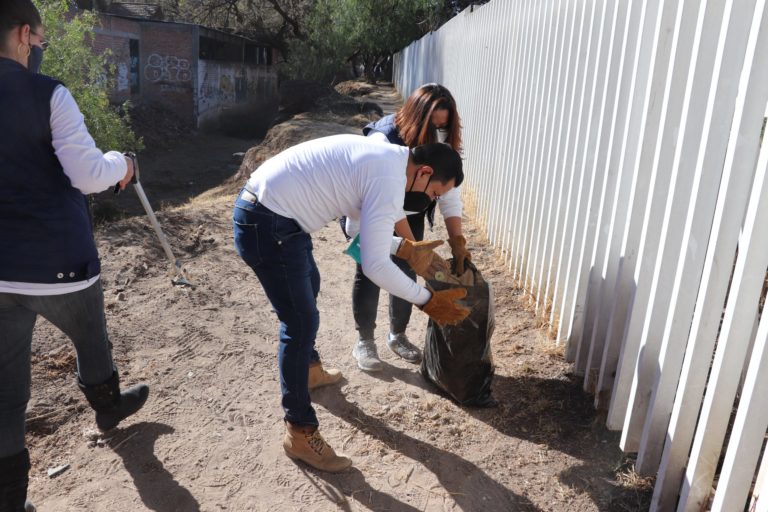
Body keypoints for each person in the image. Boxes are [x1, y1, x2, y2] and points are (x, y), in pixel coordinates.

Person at [233, 134, 469, 472]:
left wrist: (404, 248)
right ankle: (299, 431)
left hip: (272, 215)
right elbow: (373, 265)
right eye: (434, 192)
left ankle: (309, 370)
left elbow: (355, 227)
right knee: (299, 325)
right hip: (267, 223)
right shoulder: (388, 180)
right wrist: (427, 299)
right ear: (425, 171)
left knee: (309, 285)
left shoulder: (386, 157)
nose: (429, 199)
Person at [0, 2, 149, 509]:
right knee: (91, 337)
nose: (40, 49)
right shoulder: (49, 94)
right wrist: (122, 164)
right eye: (40, 40)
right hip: (60, 265)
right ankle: (108, 409)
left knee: (6, 394)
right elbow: (87, 174)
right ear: (24, 34)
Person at [348, 83, 472, 372]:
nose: (439, 134)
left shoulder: (442, 142)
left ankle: (398, 334)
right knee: (369, 269)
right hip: (373, 206)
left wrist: (457, 241)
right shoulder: (384, 140)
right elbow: (368, 211)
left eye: (445, 127)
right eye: (434, 126)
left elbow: (448, 193)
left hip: (410, 210)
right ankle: (364, 339)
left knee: (408, 268)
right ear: (416, 118)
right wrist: (405, 244)